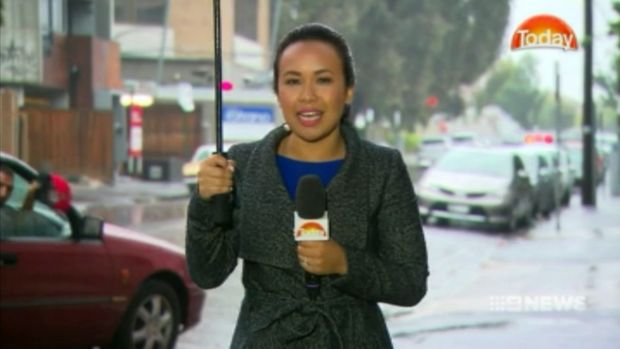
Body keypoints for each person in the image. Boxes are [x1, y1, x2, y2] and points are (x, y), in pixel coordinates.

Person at [186, 23, 429, 348]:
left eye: (324, 79)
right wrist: (204, 201)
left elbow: (410, 282)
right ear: (278, 91)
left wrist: (346, 263)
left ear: (348, 89)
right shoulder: (242, 164)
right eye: (293, 81)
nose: (307, 95)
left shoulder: (382, 168)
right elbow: (207, 273)